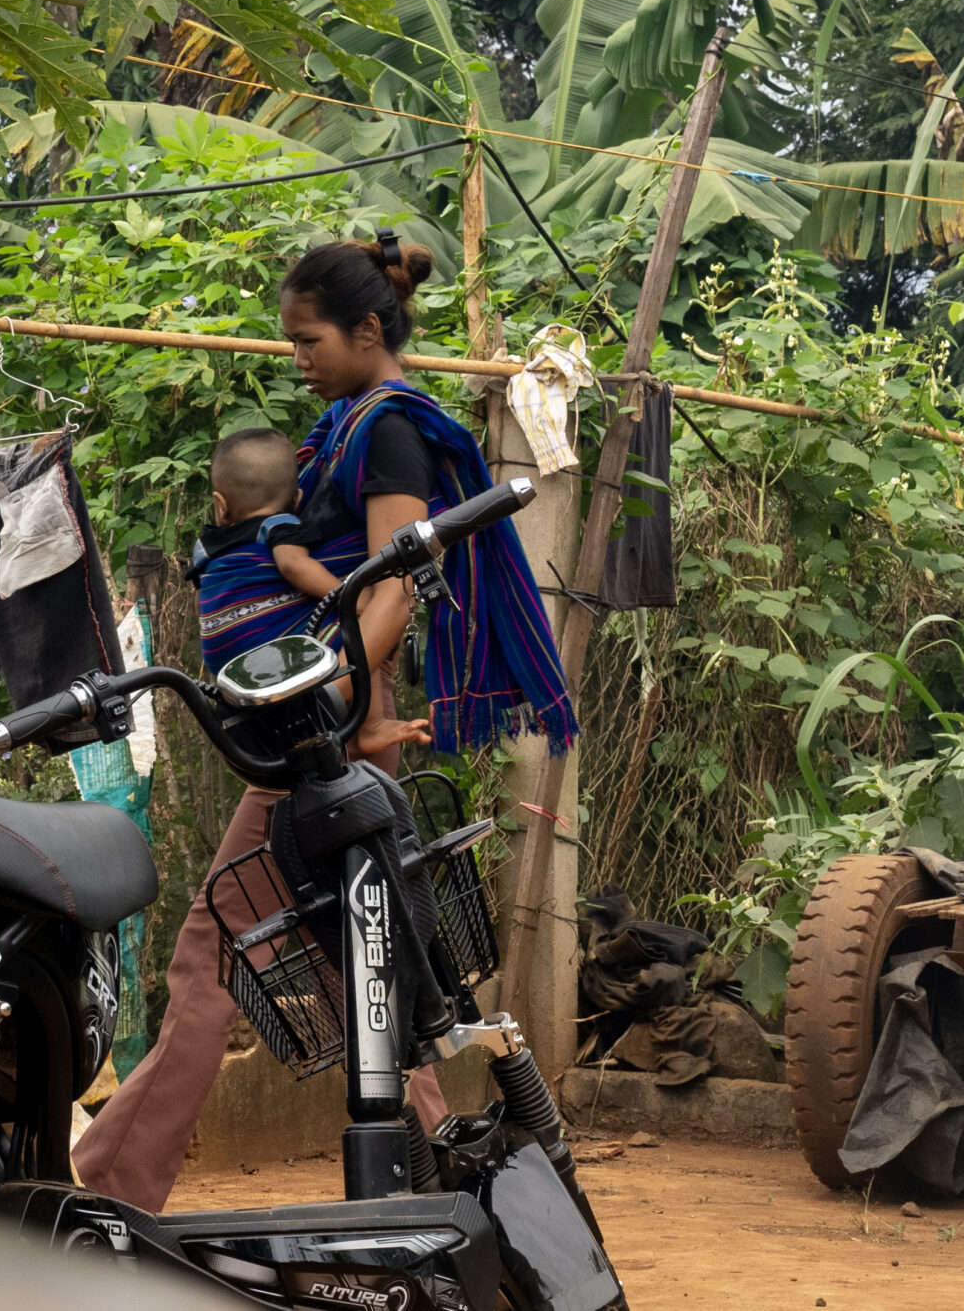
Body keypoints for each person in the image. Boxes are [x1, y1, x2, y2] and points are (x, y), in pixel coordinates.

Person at [73, 231, 576, 1212]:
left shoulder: (386, 431)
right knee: (363, 965)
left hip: (315, 740)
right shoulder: (348, 423)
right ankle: (439, 1183)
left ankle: (107, 1193)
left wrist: (327, 693)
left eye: (309, 339)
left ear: (367, 330)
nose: (296, 356)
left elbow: (391, 585)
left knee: (213, 953)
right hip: (328, 733)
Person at [189, 425, 329, 669]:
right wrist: (348, 597)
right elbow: (293, 565)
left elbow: (200, 599)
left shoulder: (206, 544)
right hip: (267, 645)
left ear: (220, 505)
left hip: (219, 658)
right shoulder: (280, 526)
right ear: (297, 499)